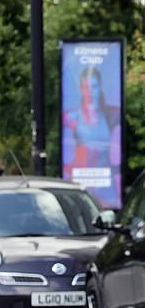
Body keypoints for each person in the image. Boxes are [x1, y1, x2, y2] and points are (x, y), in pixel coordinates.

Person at [62, 65, 122, 207]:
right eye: (86, 87)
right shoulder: (71, 117)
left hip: (106, 184)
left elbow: (115, 158)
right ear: (81, 89)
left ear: (100, 87)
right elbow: (68, 159)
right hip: (80, 184)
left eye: (93, 87)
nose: (90, 92)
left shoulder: (112, 115)